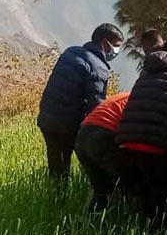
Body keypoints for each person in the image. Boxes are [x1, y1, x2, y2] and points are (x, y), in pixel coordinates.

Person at [116, 38, 167, 228]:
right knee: (163, 211)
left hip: (125, 147)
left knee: (139, 208)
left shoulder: (145, 76)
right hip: (156, 151)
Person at [36, 24, 124, 179]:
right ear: (104, 43)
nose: (116, 52)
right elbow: (96, 106)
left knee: (57, 169)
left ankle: (55, 199)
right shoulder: (99, 67)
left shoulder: (71, 52)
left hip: (47, 118)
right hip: (69, 124)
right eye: (116, 47)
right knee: (91, 164)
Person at [74, 92, 130, 214]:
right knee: (129, 187)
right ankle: (129, 223)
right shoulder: (137, 100)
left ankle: (88, 226)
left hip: (83, 136)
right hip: (103, 135)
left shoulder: (124, 96)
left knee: (102, 191)